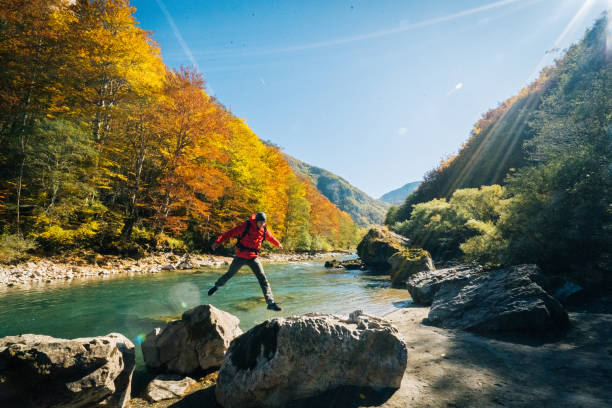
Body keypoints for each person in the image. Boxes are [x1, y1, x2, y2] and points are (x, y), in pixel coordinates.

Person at [209, 212, 284, 311]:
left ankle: (270, 303)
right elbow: (230, 233)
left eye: (264, 223)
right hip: (240, 256)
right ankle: (217, 286)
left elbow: (270, 238)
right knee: (229, 274)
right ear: (256, 221)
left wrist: (278, 244)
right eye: (260, 222)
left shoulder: (264, 230)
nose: (262, 225)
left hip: (253, 258)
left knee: (263, 279)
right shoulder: (246, 225)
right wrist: (218, 242)